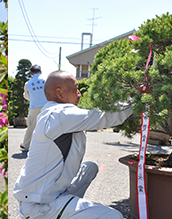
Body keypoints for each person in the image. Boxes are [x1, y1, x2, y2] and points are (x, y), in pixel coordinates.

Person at [13, 71, 133, 219]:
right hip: (40, 204)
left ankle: (67, 211)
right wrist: (135, 98)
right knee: (114, 217)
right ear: (60, 93)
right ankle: (57, 213)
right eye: (75, 89)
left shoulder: (54, 112)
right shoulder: (59, 115)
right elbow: (105, 117)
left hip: (41, 193)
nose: (79, 94)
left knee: (90, 168)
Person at [21, 65, 49, 152]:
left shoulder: (28, 83)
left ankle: (26, 145)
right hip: (46, 106)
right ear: (41, 72)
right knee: (47, 126)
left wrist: (33, 98)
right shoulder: (46, 81)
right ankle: (46, 145)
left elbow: (26, 96)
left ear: (31, 73)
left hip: (34, 107)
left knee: (31, 126)